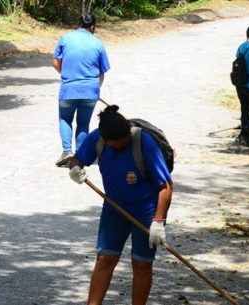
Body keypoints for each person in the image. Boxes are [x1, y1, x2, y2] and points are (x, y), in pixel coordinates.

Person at [66, 105, 173, 305]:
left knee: (141, 264)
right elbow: (77, 159)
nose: (121, 146)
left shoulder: (144, 142)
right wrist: (75, 168)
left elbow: (165, 186)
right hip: (114, 208)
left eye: (124, 141)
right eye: (116, 144)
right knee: (105, 259)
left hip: (146, 211)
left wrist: (158, 221)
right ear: (106, 140)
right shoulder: (97, 138)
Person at [53, 14, 111, 166]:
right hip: (89, 91)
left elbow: (56, 62)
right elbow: (102, 72)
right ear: (93, 27)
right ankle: (80, 155)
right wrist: (96, 89)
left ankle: (67, 151)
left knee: (65, 119)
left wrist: (67, 75)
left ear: (78, 24)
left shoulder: (66, 38)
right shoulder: (97, 43)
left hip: (68, 89)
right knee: (83, 123)